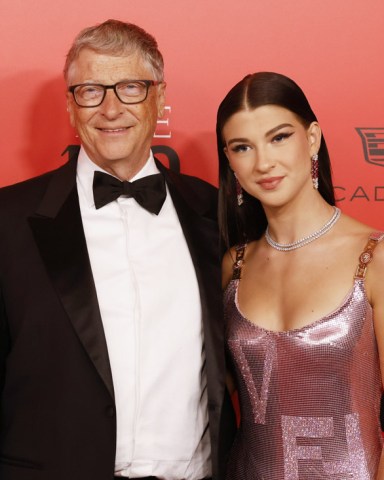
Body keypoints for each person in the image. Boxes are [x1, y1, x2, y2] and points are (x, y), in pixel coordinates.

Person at [0, 19, 236, 480]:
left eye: (130, 87)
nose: (111, 108)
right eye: (90, 90)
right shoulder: (8, 220)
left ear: (159, 99)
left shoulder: (215, 213)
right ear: (71, 106)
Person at [217, 71, 384, 479]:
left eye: (279, 137)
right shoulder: (234, 265)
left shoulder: (374, 257)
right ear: (229, 160)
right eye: (243, 147)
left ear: (312, 138)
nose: (263, 162)